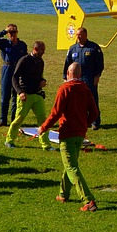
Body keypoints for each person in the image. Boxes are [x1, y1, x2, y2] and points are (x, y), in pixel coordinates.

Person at [39, 62, 99, 212]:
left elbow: (56, 113)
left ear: (68, 73)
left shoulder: (64, 89)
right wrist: (85, 124)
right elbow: (94, 112)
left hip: (67, 134)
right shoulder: (85, 89)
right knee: (70, 163)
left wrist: (43, 127)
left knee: (71, 166)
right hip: (80, 134)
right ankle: (63, 193)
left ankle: (88, 200)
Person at [4, 41, 52, 150]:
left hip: (37, 95)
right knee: (19, 119)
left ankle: (46, 144)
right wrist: (20, 92)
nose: (43, 52)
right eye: (42, 50)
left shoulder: (40, 61)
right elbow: (14, 78)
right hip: (25, 95)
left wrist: (43, 81)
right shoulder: (24, 60)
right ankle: (9, 140)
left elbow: (40, 76)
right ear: (35, 49)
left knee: (43, 120)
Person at [63, 28, 104, 129]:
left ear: (85, 35)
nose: (78, 37)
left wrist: (97, 75)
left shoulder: (93, 47)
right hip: (76, 79)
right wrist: (65, 77)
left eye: (80, 35)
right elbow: (67, 63)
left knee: (92, 100)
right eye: (77, 35)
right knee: (78, 101)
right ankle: (83, 120)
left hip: (89, 78)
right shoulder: (73, 48)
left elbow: (100, 63)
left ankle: (95, 122)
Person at [0, 24, 28, 127]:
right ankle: (3, 120)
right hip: (7, 69)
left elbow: (25, 59)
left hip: (17, 71)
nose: (12, 34)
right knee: (5, 96)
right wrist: (4, 31)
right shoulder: (4, 43)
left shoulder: (22, 45)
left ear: (17, 32)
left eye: (14, 32)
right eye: (10, 32)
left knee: (16, 96)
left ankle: (14, 120)